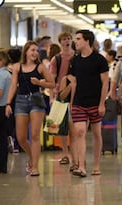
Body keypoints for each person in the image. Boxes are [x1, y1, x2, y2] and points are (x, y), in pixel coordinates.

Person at [5, 41, 55, 176]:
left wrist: (39, 82)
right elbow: (13, 86)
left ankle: (35, 167)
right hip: (20, 101)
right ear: (26, 52)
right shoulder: (17, 67)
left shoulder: (40, 67)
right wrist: (8, 103)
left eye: (36, 51)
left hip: (36, 100)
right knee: (21, 137)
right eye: (32, 50)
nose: (35, 53)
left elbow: (52, 84)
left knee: (34, 135)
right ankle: (32, 158)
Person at [69, 30, 109, 177]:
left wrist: (102, 104)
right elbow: (74, 83)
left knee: (97, 134)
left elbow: (105, 83)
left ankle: (97, 165)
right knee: (79, 132)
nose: (76, 42)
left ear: (87, 41)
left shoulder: (99, 60)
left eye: (78, 39)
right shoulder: (75, 61)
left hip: (95, 102)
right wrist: (71, 103)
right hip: (79, 102)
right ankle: (81, 166)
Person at [49, 32, 76, 169]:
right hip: (61, 94)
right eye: (64, 39)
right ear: (60, 42)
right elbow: (51, 79)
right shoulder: (56, 59)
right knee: (61, 126)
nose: (67, 41)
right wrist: (52, 97)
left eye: (68, 39)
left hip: (75, 93)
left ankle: (75, 155)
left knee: (74, 125)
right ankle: (65, 153)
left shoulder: (76, 56)